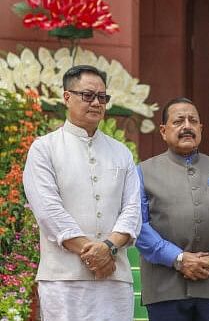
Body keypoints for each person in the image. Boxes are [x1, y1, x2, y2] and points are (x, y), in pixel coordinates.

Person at [23, 65, 141, 321]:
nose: (96, 103)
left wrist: (108, 248)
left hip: (114, 276)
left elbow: (132, 210)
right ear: (67, 97)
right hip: (64, 279)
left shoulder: (121, 152)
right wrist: (96, 254)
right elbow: (49, 212)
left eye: (102, 97)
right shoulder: (44, 149)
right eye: (88, 95)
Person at [136, 97, 209, 321]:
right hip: (164, 287)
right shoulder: (143, 172)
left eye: (193, 121)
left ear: (201, 128)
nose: (187, 126)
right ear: (163, 130)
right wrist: (177, 258)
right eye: (179, 121)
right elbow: (138, 224)